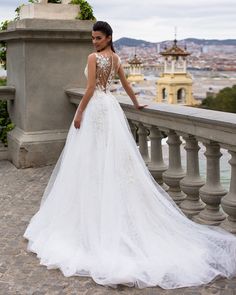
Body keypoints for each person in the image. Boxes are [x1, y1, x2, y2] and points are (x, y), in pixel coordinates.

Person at [24, 21, 236, 290]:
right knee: (110, 160)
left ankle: (95, 212)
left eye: (98, 38)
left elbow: (89, 89)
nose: (94, 42)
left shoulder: (94, 58)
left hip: (96, 110)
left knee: (92, 159)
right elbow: (123, 84)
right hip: (110, 109)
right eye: (92, 38)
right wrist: (136, 103)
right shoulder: (115, 58)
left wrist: (78, 114)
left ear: (108, 37)